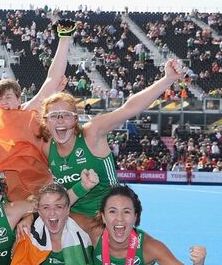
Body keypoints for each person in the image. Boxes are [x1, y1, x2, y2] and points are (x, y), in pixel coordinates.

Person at [42, 59, 185, 233]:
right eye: (54, 115)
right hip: (74, 220)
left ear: (75, 119)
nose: (60, 120)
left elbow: (129, 109)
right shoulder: (46, 146)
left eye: (66, 114)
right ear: (46, 121)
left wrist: (167, 79)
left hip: (108, 220)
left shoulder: (91, 133)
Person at [0, 23, 74, 201]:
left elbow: (52, 79)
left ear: (19, 99)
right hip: (11, 194)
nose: (4, 102)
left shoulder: (28, 113)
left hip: (41, 188)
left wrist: (64, 38)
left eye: (8, 97)